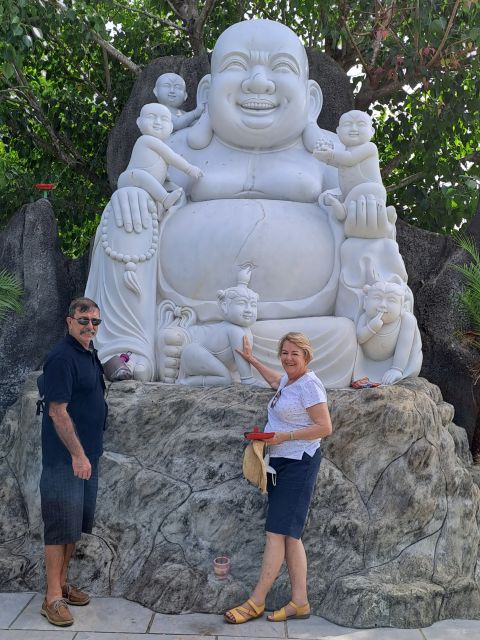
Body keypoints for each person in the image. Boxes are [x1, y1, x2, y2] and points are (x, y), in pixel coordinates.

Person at [224, 332, 332, 624]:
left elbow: (325, 426)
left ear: (306, 356)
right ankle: (300, 602)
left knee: (276, 535)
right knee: (290, 536)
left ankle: (256, 602)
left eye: (294, 353)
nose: (288, 358)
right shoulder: (289, 380)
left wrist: (286, 436)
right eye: (284, 352)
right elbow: (275, 380)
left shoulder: (310, 385)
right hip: (281, 463)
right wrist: (252, 359)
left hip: (299, 464)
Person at [39, 297, 107, 627]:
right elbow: (57, 410)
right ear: (69, 321)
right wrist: (78, 455)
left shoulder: (87, 353)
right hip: (64, 461)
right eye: (84, 321)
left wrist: (87, 456)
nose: (90, 326)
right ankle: (51, 597)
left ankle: (63, 585)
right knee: (58, 529)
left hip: (86, 458)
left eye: (95, 321)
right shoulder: (62, 358)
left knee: (72, 528)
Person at [117, 103, 203, 211]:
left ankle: (170, 204)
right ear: (139, 122)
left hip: (147, 182)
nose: (157, 122)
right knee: (141, 175)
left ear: (171, 127)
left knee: (171, 186)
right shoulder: (146, 139)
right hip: (130, 178)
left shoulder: (160, 144)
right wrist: (189, 169)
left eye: (164, 119)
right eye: (151, 117)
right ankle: (165, 199)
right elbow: (172, 157)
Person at [313, 110, 385, 221]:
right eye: (347, 124)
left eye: (360, 124)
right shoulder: (345, 152)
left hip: (372, 192)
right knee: (346, 193)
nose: (354, 128)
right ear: (338, 131)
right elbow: (342, 163)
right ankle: (344, 201)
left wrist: (330, 154)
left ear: (371, 131)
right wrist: (325, 159)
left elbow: (350, 159)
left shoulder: (370, 147)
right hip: (352, 193)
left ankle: (344, 209)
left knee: (363, 189)